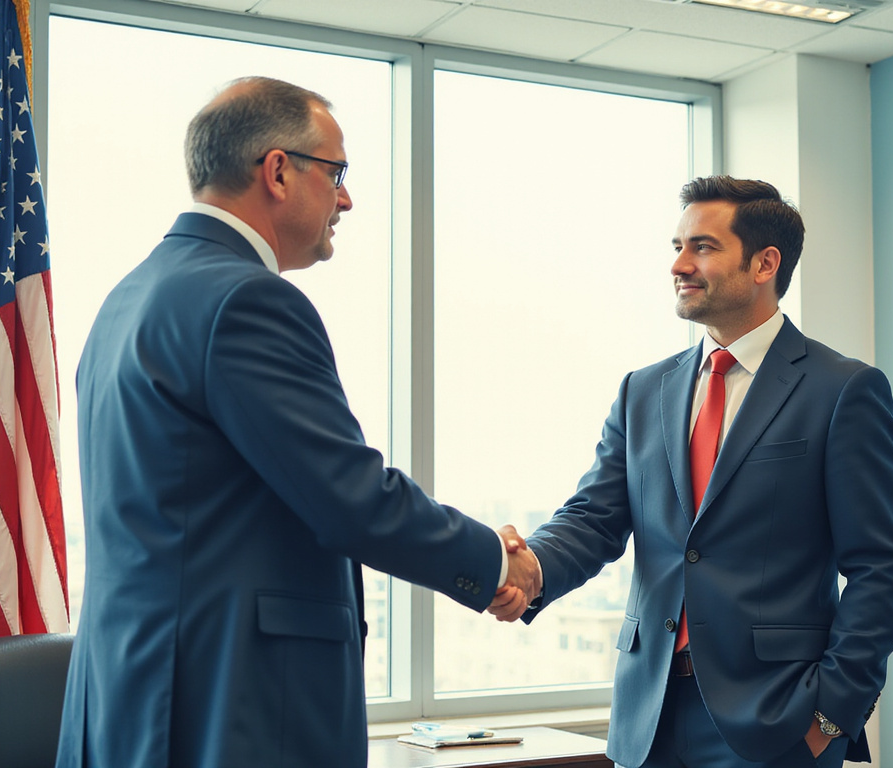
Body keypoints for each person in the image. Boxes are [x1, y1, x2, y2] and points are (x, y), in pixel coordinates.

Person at [55, 77, 541, 768]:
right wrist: (492, 558)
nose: (346, 198)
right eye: (336, 172)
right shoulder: (247, 301)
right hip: (231, 711)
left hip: (129, 703)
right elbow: (351, 499)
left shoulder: (127, 299)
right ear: (278, 170)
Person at [488, 176, 893, 767]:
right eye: (676, 246)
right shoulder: (643, 390)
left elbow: (881, 569)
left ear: (766, 263)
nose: (679, 265)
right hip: (649, 716)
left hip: (778, 725)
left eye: (703, 248)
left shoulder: (843, 390)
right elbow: (594, 519)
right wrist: (529, 567)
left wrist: (830, 715)